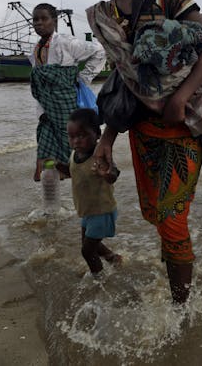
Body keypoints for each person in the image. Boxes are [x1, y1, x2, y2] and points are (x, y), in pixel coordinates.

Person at [85, 0, 202, 304]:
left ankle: (180, 311)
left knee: (173, 219)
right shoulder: (106, 14)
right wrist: (106, 141)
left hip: (184, 125)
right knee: (158, 216)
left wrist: (182, 95)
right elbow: (123, 82)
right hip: (142, 132)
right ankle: (177, 280)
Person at [29, 3, 106, 181]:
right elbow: (40, 86)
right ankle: (56, 188)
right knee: (45, 143)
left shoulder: (65, 42)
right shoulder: (35, 49)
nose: (39, 23)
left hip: (65, 102)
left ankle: (83, 177)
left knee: (71, 142)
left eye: (44, 19)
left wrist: (84, 78)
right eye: (35, 19)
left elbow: (99, 51)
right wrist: (41, 111)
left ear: (54, 21)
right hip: (47, 106)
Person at [67, 108, 121, 278]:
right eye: (72, 136)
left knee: (87, 250)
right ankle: (112, 258)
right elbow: (75, 172)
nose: (76, 141)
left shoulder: (99, 157)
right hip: (88, 211)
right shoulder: (75, 154)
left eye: (82, 136)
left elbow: (114, 174)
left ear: (97, 134)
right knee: (90, 244)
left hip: (102, 211)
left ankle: (99, 278)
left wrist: (106, 174)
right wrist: (57, 167)